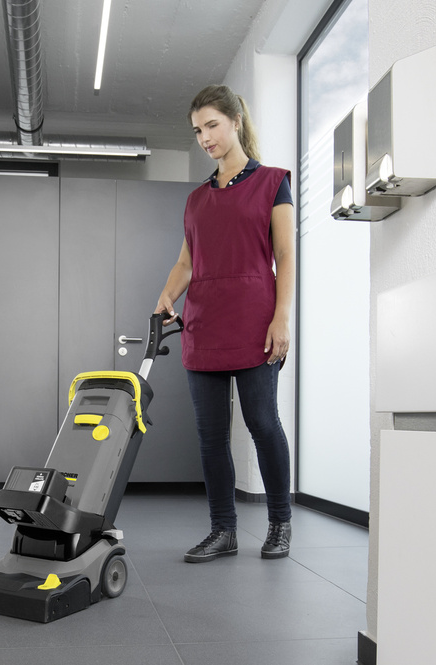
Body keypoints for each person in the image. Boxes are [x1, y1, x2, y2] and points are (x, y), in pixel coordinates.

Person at [154, 84, 296, 563]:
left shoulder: (273, 181)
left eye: (212, 125)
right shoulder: (196, 200)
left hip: (256, 322)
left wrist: (281, 317)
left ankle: (279, 522)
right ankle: (223, 530)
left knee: (262, 422)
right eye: (197, 130)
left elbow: (285, 255)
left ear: (236, 120)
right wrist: (166, 295)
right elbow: (186, 264)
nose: (204, 137)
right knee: (211, 436)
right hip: (204, 325)